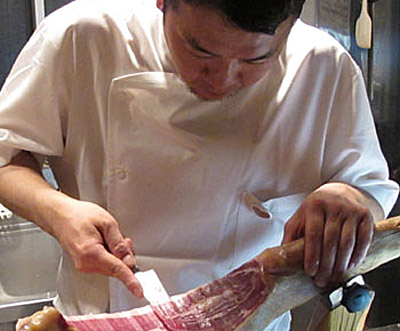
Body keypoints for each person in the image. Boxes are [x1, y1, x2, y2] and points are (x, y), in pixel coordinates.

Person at [0, 0, 398, 329]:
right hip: (100, 319)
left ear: (290, 28)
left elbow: (367, 190)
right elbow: (6, 156)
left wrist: (345, 196)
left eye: (255, 59)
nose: (222, 79)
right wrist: (57, 211)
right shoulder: (82, 36)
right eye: (201, 51)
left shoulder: (322, 67)